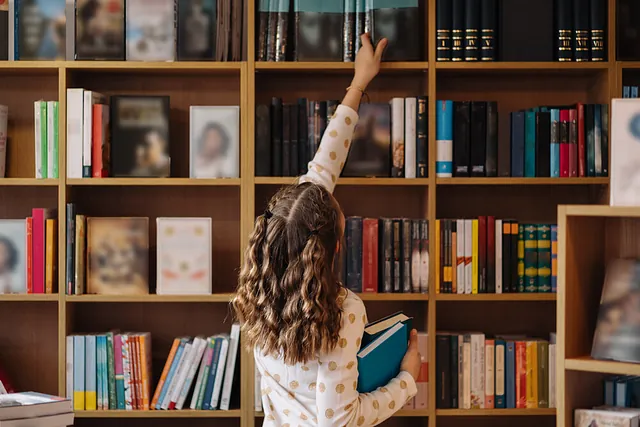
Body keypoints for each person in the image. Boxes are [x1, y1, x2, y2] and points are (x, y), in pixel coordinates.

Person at [233, 34, 422, 427]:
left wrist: (360, 83)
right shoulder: (340, 312)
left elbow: (324, 166)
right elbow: (340, 421)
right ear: (333, 249)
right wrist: (407, 380)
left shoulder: (258, 292)